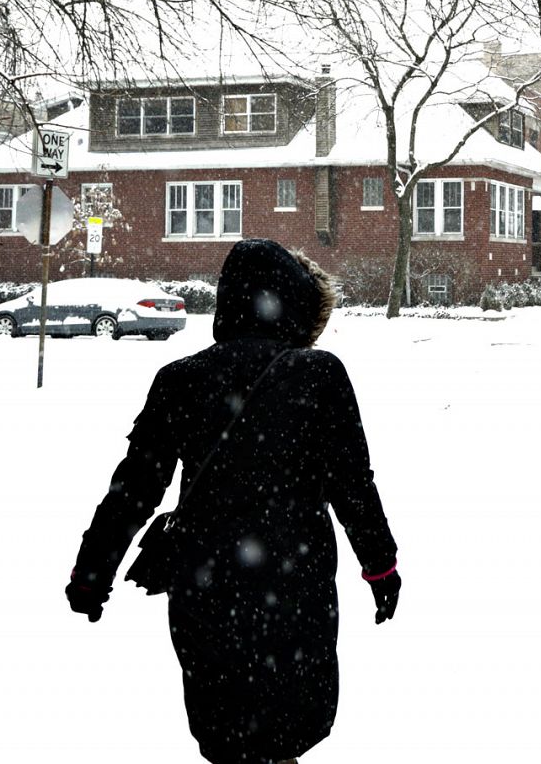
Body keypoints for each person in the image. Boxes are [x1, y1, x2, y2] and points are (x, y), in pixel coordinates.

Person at [64, 238, 400, 764]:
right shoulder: (319, 375)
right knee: (287, 728)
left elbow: (134, 490)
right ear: (295, 303)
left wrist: (92, 573)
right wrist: (380, 565)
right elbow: (353, 485)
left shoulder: (180, 379)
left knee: (226, 734)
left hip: (207, 589)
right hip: (295, 588)